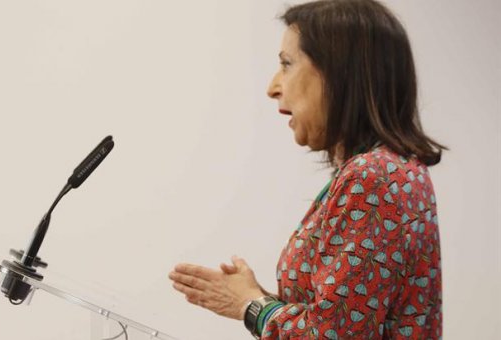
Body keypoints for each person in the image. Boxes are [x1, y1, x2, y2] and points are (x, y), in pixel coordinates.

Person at [168, 0, 446, 338]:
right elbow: (347, 317)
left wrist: (251, 305)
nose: (273, 87)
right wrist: (251, 298)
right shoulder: (393, 169)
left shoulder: (373, 178)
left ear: (340, 73)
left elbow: (332, 335)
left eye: (287, 64)